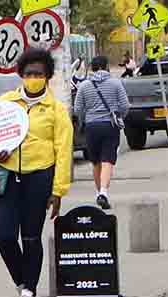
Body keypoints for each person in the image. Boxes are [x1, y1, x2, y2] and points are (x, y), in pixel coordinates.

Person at [0, 47, 72, 297]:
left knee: (31, 237)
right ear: (20, 75)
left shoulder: (56, 111)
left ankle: (29, 293)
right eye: (28, 73)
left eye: (38, 74)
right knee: (4, 235)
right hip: (7, 175)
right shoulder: (5, 103)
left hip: (40, 177)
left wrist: (58, 190)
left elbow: (63, 151)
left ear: (48, 77)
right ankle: (21, 281)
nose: (33, 78)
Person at [73, 54, 131, 208]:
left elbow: (77, 109)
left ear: (92, 68)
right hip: (110, 126)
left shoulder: (84, 86)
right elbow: (125, 105)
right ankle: (103, 192)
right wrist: (118, 116)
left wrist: (86, 118)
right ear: (106, 67)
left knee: (96, 162)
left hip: (91, 127)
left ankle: (99, 193)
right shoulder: (115, 84)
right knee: (107, 160)